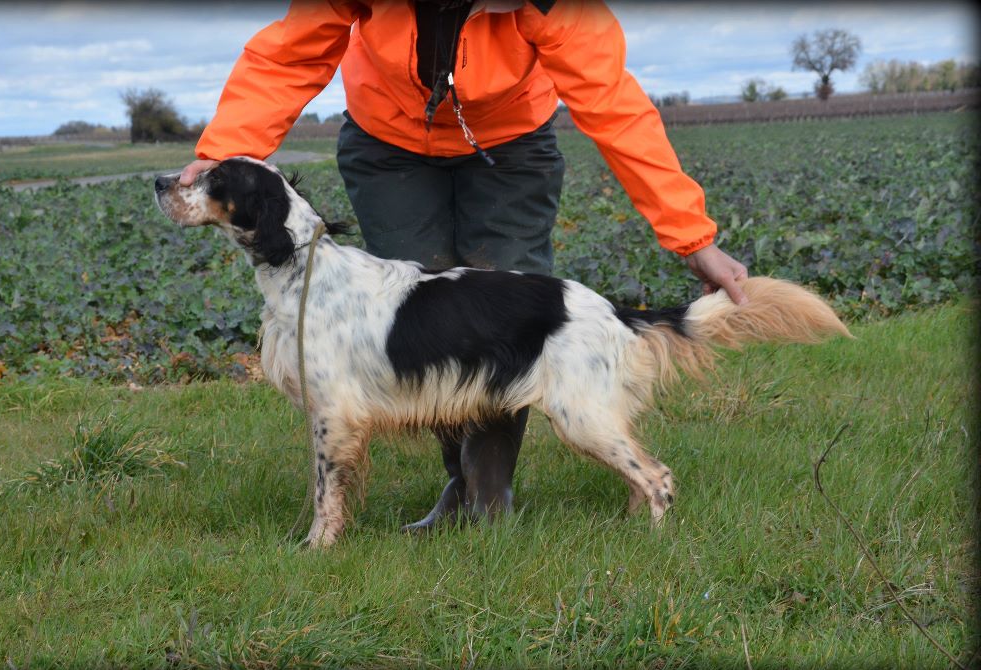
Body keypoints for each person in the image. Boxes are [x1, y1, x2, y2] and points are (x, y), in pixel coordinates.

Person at [179, 0, 748, 532]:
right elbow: (291, 51)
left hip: (510, 139)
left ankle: (488, 496)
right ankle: (460, 484)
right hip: (388, 139)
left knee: (509, 296)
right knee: (415, 321)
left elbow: (616, 105)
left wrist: (692, 238)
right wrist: (224, 149)